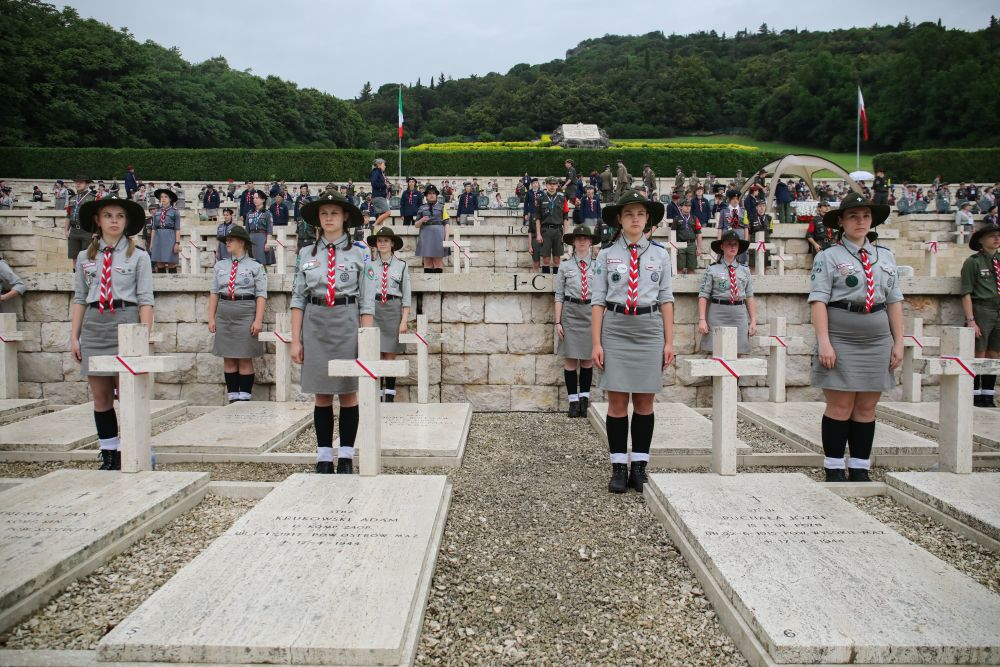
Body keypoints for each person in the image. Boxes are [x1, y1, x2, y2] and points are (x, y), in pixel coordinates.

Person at [808, 192, 903, 483]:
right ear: (841, 222)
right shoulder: (828, 256)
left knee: (867, 406)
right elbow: (819, 301)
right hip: (841, 335)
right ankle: (834, 466)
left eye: (865, 216)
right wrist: (824, 341)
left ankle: (860, 466)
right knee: (840, 404)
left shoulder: (885, 256)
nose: (860, 221)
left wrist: (899, 341)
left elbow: (894, 300)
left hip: (877, 337)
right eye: (853, 216)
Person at [592, 190, 675, 494]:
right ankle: (617, 467)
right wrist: (597, 343)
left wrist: (669, 340)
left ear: (648, 219)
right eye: (629, 214)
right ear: (619, 219)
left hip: (649, 328)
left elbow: (666, 298)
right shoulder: (606, 255)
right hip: (615, 328)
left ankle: (639, 466)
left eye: (640, 214)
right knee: (616, 403)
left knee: (644, 401)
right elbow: (598, 300)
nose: (635, 219)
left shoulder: (660, 255)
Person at [291, 191, 375, 474]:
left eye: (334, 213)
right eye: (324, 213)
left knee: (348, 392)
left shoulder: (360, 253)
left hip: (347, 321)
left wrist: (365, 338)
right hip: (315, 323)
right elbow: (297, 299)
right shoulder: (305, 253)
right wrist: (295, 339)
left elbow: (366, 299)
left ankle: (347, 455)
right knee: (322, 393)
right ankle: (324, 454)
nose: (328, 218)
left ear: (345, 218)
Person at [70, 194, 153, 470]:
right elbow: (80, 298)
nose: (114, 221)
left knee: (126, 392)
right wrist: (75, 335)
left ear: (127, 221)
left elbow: (146, 299)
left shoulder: (138, 255)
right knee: (101, 395)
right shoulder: (85, 257)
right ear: (98, 220)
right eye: (108, 216)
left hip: (126, 320)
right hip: (95, 323)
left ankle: (135, 448)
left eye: (119, 216)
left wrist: (143, 335)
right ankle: (109, 453)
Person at [208, 225, 266, 403]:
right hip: (225, 313)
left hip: (245, 312)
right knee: (229, 357)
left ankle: (245, 398)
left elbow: (261, 294)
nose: (227, 243)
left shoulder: (256, 266)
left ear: (242, 242)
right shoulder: (220, 266)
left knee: (244, 357)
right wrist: (211, 317)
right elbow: (214, 292)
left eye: (231, 240)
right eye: (226, 240)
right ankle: (233, 397)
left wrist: (258, 320)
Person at [555, 225, 597, 418]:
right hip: (571, 313)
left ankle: (584, 399)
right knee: (571, 358)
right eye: (578, 238)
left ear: (590, 242)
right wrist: (557, 321)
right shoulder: (565, 266)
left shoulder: (598, 266)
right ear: (573, 242)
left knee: (588, 359)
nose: (581, 241)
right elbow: (559, 295)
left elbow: (602, 294)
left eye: (585, 238)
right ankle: (572, 400)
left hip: (590, 312)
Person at [366, 227, 411, 402]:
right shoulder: (369, 266)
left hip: (393, 310)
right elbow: (365, 293)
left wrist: (404, 320)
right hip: (374, 310)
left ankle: (389, 396)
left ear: (392, 244)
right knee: (375, 353)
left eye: (386, 240)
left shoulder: (401, 266)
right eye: (379, 241)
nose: (382, 243)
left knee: (390, 355)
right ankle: (377, 396)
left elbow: (406, 294)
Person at [698, 230, 756, 354]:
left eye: (735, 244)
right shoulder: (713, 269)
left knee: (738, 352)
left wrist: (753, 320)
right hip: (718, 313)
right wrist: (702, 319)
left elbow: (749, 296)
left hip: (739, 314)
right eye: (729, 244)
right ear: (722, 246)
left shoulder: (745, 270)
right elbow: (703, 295)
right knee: (716, 352)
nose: (733, 247)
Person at [961, 223, 1000, 407]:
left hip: (998, 309)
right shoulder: (973, 262)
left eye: (998, 235)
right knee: (979, 352)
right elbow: (966, 292)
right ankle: (975, 395)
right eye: (992, 236)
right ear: (981, 241)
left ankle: (988, 395)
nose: (996, 238)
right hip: (982, 309)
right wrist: (971, 320)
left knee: (995, 353)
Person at [535, 177, 568, 274]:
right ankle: (546, 281)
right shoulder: (540, 199)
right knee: (546, 259)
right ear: (546, 185)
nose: (552, 186)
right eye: (550, 184)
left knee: (557, 259)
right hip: (545, 231)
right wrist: (538, 234)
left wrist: (565, 234)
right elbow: (537, 218)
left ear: (557, 185)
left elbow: (565, 218)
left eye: (554, 184)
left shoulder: (562, 199)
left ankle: (556, 283)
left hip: (558, 231)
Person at [415, 184, 449, 273]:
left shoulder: (442, 207)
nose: (432, 195)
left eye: (434, 193)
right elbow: (416, 225)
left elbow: (447, 223)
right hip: (426, 235)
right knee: (427, 260)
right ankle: (428, 284)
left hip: (439, 236)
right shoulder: (421, 208)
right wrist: (422, 220)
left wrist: (446, 239)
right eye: (429, 193)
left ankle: (438, 283)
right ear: (426, 196)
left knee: (438, 261)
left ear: (436, 195)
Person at [65, 176, 96, 261]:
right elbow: (68, 215)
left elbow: (97, 216)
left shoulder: (93, 198)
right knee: (74, 258)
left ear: (87, 184)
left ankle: (86, 274)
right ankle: (76, 274)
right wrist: (66, 230)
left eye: (81, 182)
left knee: (87, 258)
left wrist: (97, 232)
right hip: (74, 231)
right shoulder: (72, 198)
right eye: (77, 182)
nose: (78, 184)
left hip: (87, 231)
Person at [149, 188, 181, 273]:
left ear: (170, 199)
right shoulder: (156, 212)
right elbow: (154, 229)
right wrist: (152, 243)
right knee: (159, 263)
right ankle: (161, 285)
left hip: (170, 238)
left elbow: (177, 229)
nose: (163, 198)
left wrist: (177, 243)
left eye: (166, 197)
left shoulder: (175, 212)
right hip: (158, 239)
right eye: (161, 197)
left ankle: (173, 284)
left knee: (171, 263)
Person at [671, 199, 703, 275]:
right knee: (679, 268)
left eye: (689, 206)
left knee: (691, 269)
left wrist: (699, 248)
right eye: (686, 206)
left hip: (691, 245)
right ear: (680, 207)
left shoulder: (694, 218)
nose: (688, 207)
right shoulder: (676, 219)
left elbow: (699, 234)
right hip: (680, 245)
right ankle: (680, 286)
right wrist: (674, 247)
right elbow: (672, 234)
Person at [245, 190, 275, 266]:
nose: (255, 200)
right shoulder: (249, 213)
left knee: (262, 263)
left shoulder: (267, 213)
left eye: (257, 198)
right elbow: (247, 231)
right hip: (251, 239)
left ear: (263, 200)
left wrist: (268, 243)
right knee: (251, 263)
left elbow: (270, 230)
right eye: (254, 198)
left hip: (262, 239)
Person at [719, 190, 749, 264]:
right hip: (727, 236)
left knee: (741, 259)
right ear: (729, 200)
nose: (735, 201)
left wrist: (745, 240)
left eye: (737, 199)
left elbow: (746, 227)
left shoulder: (743, 211)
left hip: (740, 237)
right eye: (733, 199)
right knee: (727, 258)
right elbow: (720, 227)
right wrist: (719, 240)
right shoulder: (724, 211)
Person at [748, 199, 773, 271]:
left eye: (763, 206)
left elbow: (770, 231)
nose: (762, 208)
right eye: (760, 206)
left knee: (765, 265)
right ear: (756, 207)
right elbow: (749, 232)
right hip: (754, 244)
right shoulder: (752, 218)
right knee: (752, 265)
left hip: (765, 244)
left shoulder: (769, 218)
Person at [523, 178, 542, 271]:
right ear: (531, 184)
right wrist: (525, 214)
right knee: (531, 226)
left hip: (540, 213)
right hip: (531, 212)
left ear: (538, 184)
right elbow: (525, 204)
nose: (535, 184)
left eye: (536, 183)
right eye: (533, 183)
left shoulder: (542, 193)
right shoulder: (529, 193)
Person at [369, 158, 391, 227]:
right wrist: (385, 185)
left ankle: (378, 228)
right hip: (378, 196)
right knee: (388, 212)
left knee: (381, 215)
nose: (385, 166)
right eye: (384, 164)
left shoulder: (379, 173)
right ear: (379, 165)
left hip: (379, 196)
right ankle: (375, 225)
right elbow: (374, 183)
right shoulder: (376, 172)